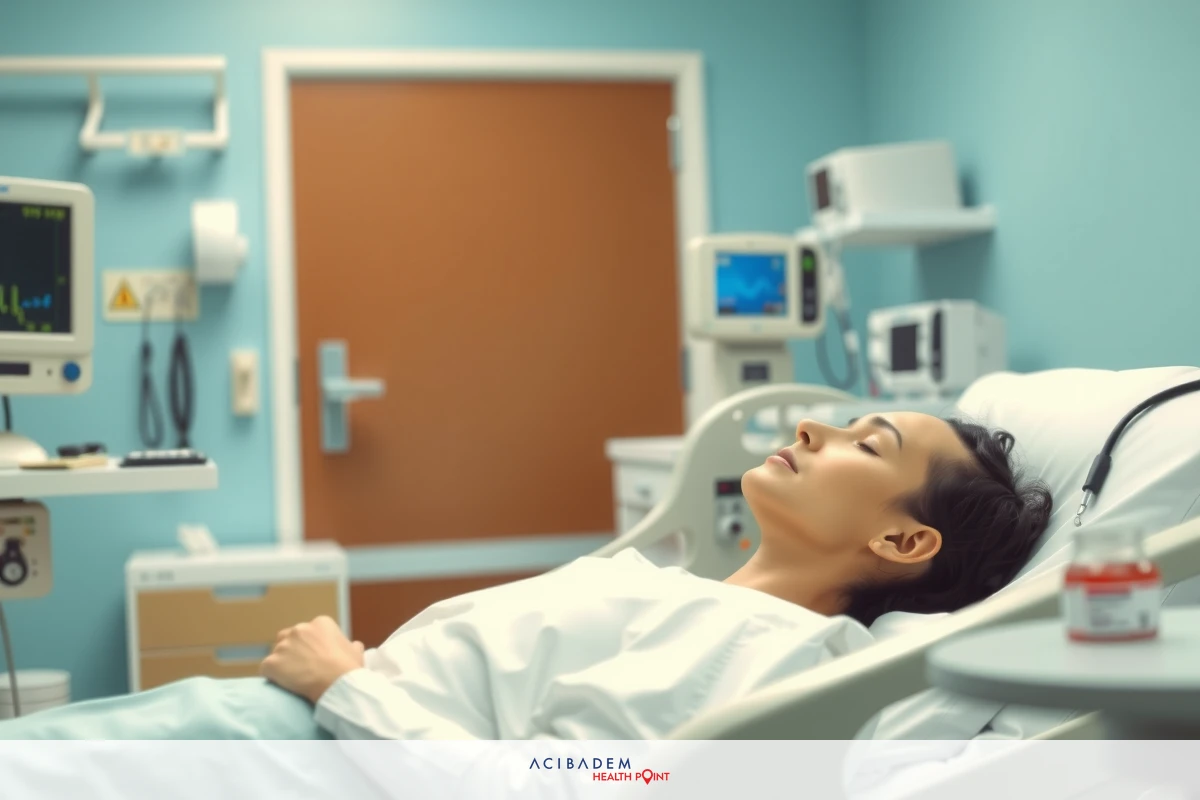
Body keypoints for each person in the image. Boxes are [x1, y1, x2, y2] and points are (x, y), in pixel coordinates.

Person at [0, 413, 1051, 741]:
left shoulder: (779, 660)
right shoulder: (699, 595)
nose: (814, 423)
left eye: (865, 445)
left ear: (907, 544)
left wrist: (349, 686)